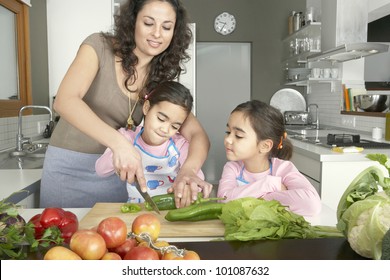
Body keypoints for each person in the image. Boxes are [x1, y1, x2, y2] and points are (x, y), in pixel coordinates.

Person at [40, 0, 211, 208]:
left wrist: (188, 170)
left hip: (118, 174)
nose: (157, 33)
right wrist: (119, 143)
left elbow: (197, 135)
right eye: (149, 23)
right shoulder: (99, 46)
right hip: (68, 169)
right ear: (132, 22)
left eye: (166, 27)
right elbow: (65, 101)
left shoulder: (159, 80)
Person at [95, 81, 205, 202]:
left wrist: (189, 186)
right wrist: (117, 154)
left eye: (175, 126)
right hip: (136, 209)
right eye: (161, 119)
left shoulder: (180, 145)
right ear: (147, 107)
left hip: (171, 210)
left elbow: (197, 177)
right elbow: (100, 170)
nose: (165, 129)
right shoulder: (127, 138)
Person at [217, 100, 321, 216]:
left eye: (238, 136)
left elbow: (311, 204)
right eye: (228, 131)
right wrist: (270, 184)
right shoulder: (232, 168)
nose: (228, 139)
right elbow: (224, 201)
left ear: (265, 146)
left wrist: (252, 199)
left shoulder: (283, 168)